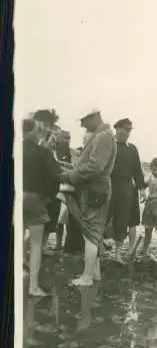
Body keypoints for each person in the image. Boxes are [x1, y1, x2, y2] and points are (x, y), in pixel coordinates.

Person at [59, 108, 116, 286]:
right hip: (95, 190)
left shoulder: (103, 137)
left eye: (84, 120)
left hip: (95, 191)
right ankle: (95, 273)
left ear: (95, 117)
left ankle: (87, 277)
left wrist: (69, 175)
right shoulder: (103, 135)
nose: (82, 125)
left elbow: (95, 167)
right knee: (94, 233)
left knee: (90, 234)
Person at [23, 119, 60, 296]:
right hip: (33, 199)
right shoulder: (43, 152)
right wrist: (48, 196)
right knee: (36, 244)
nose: (40, 133)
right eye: (38, 130)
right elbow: (54, 177)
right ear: (30, 132)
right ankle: (33, 286)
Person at [104, 118, 146, 263]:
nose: (127, 133)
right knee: (103, 218)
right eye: (125, 130)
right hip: (109, 185)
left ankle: (117, 255)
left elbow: (137, 171)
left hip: (126, 188)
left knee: (122, 221)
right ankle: (96, 251)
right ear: (117, 129)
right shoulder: (109, 145)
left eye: (129, 131)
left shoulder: (132, 148)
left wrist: (141, 189)